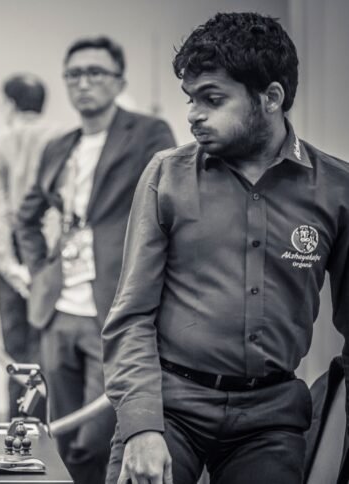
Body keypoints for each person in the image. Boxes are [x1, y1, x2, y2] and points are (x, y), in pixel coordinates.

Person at [103, 13, 349, 484]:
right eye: (190, 98)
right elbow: (131, 316)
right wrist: (141, 427)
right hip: (171, 406)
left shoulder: (337, 190)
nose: (193, 114)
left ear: (271, 98)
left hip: (271, 419)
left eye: (212, 99)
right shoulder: (166, 175)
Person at [16, 36, 175, 484]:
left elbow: (171, 209)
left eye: (95, 73)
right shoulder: (59, 145)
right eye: (74, 74)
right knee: (61, 437)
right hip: (58, 309)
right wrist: (39, 270)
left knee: (98, 437)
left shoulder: (148, 134)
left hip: (114, 305)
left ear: (119, 81)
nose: (83, 83)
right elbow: (26, 217)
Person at [0, 73, 57, 419]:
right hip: (53, 249)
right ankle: (53, 429)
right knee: (51, 344)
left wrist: (8, 263)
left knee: (15, 347)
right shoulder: (62, 138)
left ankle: (20, 427)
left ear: (9, 104)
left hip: (14, 246)